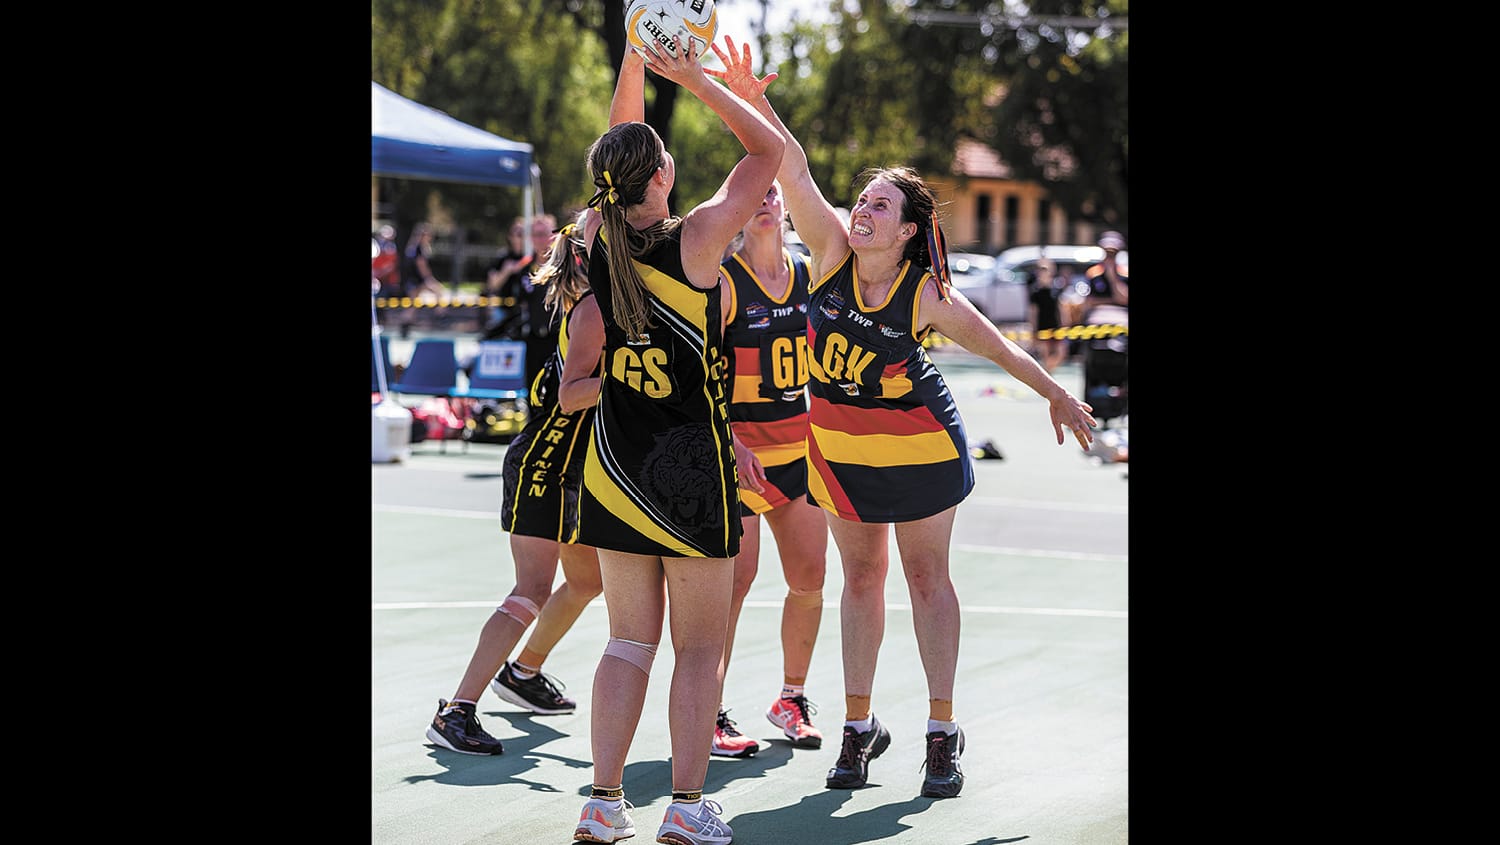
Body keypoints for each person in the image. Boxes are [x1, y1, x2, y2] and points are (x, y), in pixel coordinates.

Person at [709, 36, 1097, 800]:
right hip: (842, 451)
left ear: (908, 229)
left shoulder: (926, 295)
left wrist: (1055, 390)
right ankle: (857, 728)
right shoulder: (825, 252)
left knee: (925, 578)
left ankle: (940, 731)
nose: (861, 210)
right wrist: (751, 98)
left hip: (918, 445)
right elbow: (789, 162)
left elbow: (1000, 350)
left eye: (879, 205)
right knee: (859, 578)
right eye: (862, 200)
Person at [559, 31, 784, 845]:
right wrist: (697, 80)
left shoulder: (597, 238)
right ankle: (686, 807)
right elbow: (770, 150)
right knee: (698, 651)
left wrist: (633, 62)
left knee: (626, 640)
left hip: (616, 466)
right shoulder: (697, 240)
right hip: (690, 473)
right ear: (665, 176)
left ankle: (600, 800)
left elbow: (617, 153)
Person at [425, 212, 607, 756]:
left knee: (586, 581)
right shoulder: (595, 309)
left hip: (572, 467)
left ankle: (524, 672)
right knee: (531, 588)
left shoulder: (592, 304)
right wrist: (635, 382)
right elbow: (573, 394)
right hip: (546, 463)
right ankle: (456, 710)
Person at [712, 180, 829, 760]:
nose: (762, 202)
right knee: (734, 585)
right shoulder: (726, 282)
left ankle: (792, 698)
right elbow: (701, 377)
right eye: (751, 194)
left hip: (799, 454)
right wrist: (732, 440)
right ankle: (708, 710)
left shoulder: (810, 274)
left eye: (772, 193)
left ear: (785, 206)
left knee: (809, 579)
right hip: (741, 458)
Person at [1027, 257, 1068, 373]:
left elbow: (1061, 308)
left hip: (1055, 326)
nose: (1043, 272)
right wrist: (1033, 330)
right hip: (1042, 326)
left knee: (1061, 353)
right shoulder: (1035, 291)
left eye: (1045, 269)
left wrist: (1065, 324)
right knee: (1045, 354)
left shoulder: (1056, 289)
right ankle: (1048, 374)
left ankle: (1049, 371)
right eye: (1041, 270)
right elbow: (1033, 312)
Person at [373, 224, 401, 297]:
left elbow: (391, 266)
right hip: (377, 280)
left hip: (388, 282)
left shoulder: (391, 248)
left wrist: (379, 273)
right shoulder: (377, 246)